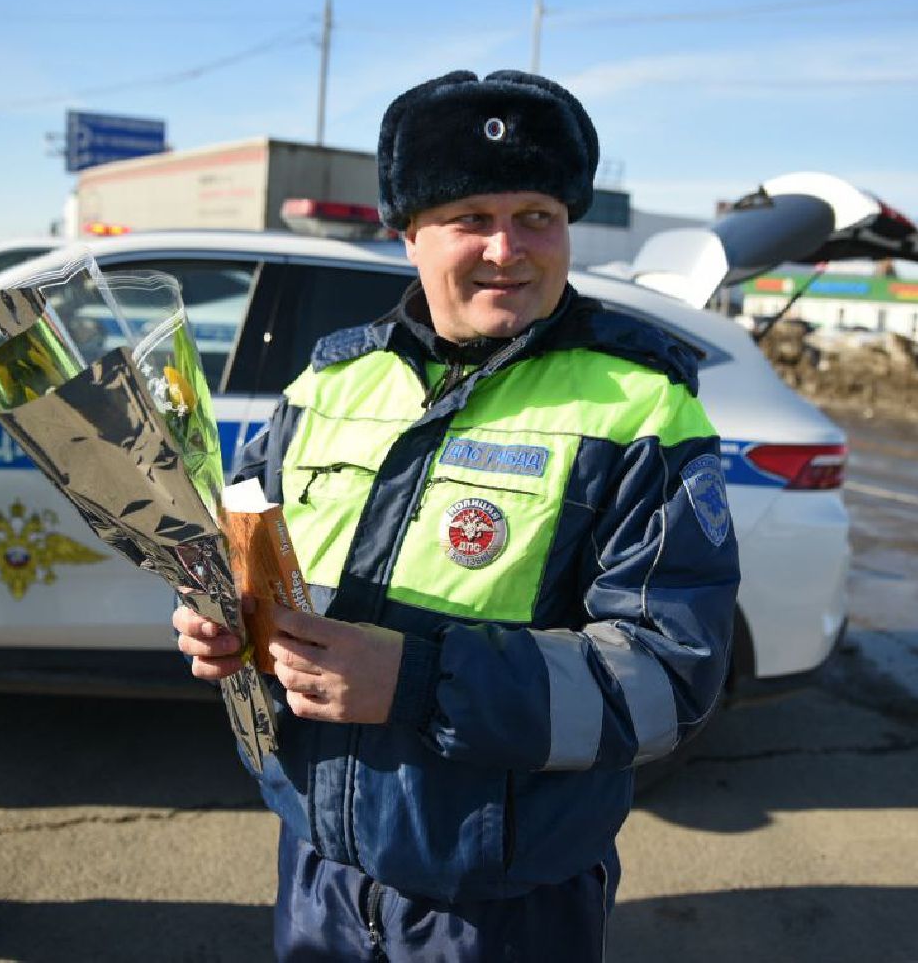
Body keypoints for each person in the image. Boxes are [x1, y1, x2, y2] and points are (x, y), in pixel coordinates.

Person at [174, 71, 740, 959]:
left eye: (536, 216)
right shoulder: (329, 382)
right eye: (470, 217)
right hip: (319, 870)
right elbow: (248, 555)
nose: (506, 249)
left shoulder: (641, 408)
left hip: (501, 905)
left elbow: (669, 680)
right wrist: (221, 622)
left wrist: (417, 681)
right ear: (408, 235)